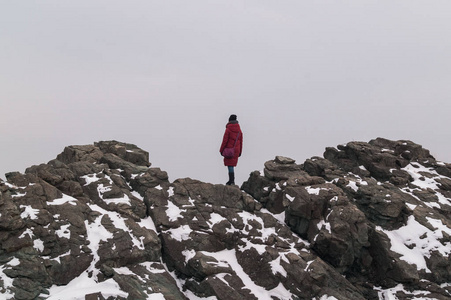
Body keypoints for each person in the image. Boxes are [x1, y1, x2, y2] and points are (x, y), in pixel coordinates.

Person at [220, 114, 243, 185]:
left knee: (230, 165)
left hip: (229, 150)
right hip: (236, 150)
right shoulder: (239, 130)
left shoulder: (228, 129)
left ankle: (231, 181)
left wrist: (221, 150)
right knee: (231, 165)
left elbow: (224, 141)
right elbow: (241, 142)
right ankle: (231, 180)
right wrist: (240, 152)